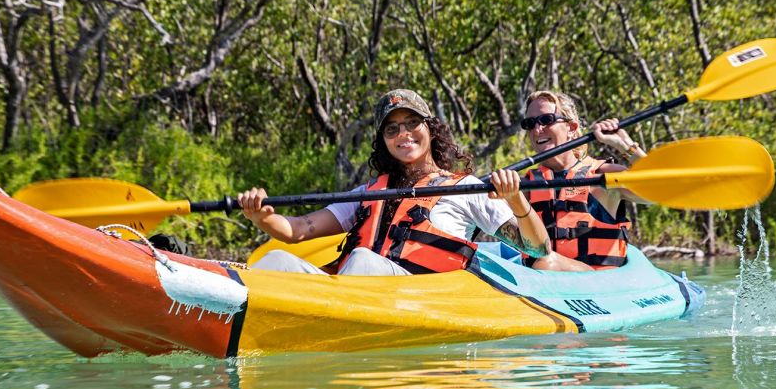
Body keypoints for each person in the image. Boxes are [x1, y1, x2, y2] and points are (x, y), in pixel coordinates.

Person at [238, 89, 550, 276]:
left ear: (430, 129)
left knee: (361, 260)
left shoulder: (465, 188)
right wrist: (261, 216)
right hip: (358, 292)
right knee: (276, 259)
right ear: (383, 141)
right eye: (392, 129)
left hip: (419, 296)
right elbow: (298, 230)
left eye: (412, 123)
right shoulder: (369, 194)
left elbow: (538, 249)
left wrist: (516, 199)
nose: (403, 134)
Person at [520, 90, 647, 272]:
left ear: (571, 128)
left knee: (546, 262)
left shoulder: (602, 176)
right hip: (544, 285)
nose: (537, 129)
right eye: (530, 123)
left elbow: (663, 190)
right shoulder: (525, 185)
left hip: (597, 283)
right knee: (544, 263)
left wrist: (625, 146)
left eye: (546, 120)